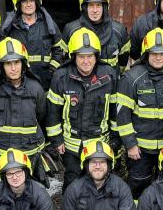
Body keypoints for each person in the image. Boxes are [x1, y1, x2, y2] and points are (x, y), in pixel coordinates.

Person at [115, 28, 163, 200]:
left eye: (162, 53)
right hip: (140, 150)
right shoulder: (131, 78)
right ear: (146, 54)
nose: (158, 57)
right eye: (154, 53)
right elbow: (122, 115)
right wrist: (130, 144)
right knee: (138, 186)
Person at [46, 28, 118, 190]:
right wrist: (56, 140)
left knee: (100, 184)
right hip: (72, 146)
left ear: (96, 57)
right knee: (73, 184)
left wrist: (115, 139)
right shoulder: (61, 77)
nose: (86, 61)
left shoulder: (109, 76)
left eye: (90, 56)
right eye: (81, 56)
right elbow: (52, 112)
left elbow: (114, 110)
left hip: (100, 143)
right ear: (73, 57)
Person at [0, 38, 48, 182]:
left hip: (29, 153)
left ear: (23, 64)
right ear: (0, 66)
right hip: (1, 154)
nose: (13, 68)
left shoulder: (35, 89)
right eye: (8, 64)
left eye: (16, 62)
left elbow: (41, 116)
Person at [0, 0, 63, 90]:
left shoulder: (48, 24)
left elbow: (60, 49)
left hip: (46, 83)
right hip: (18, 84)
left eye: (31, 0)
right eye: (24, 1)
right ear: (18, 5)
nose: (29, 4)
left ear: (37, 2)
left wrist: (52, 71)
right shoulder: (11, 28)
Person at [62, 0, 130, 70]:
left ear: (104, 7)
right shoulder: (71, 30)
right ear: (84, 7)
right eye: (91, 5)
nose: (95, 10)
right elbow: (64, 60)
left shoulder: (119, 31)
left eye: (98, 5)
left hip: (110, 81)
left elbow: (123, 61)